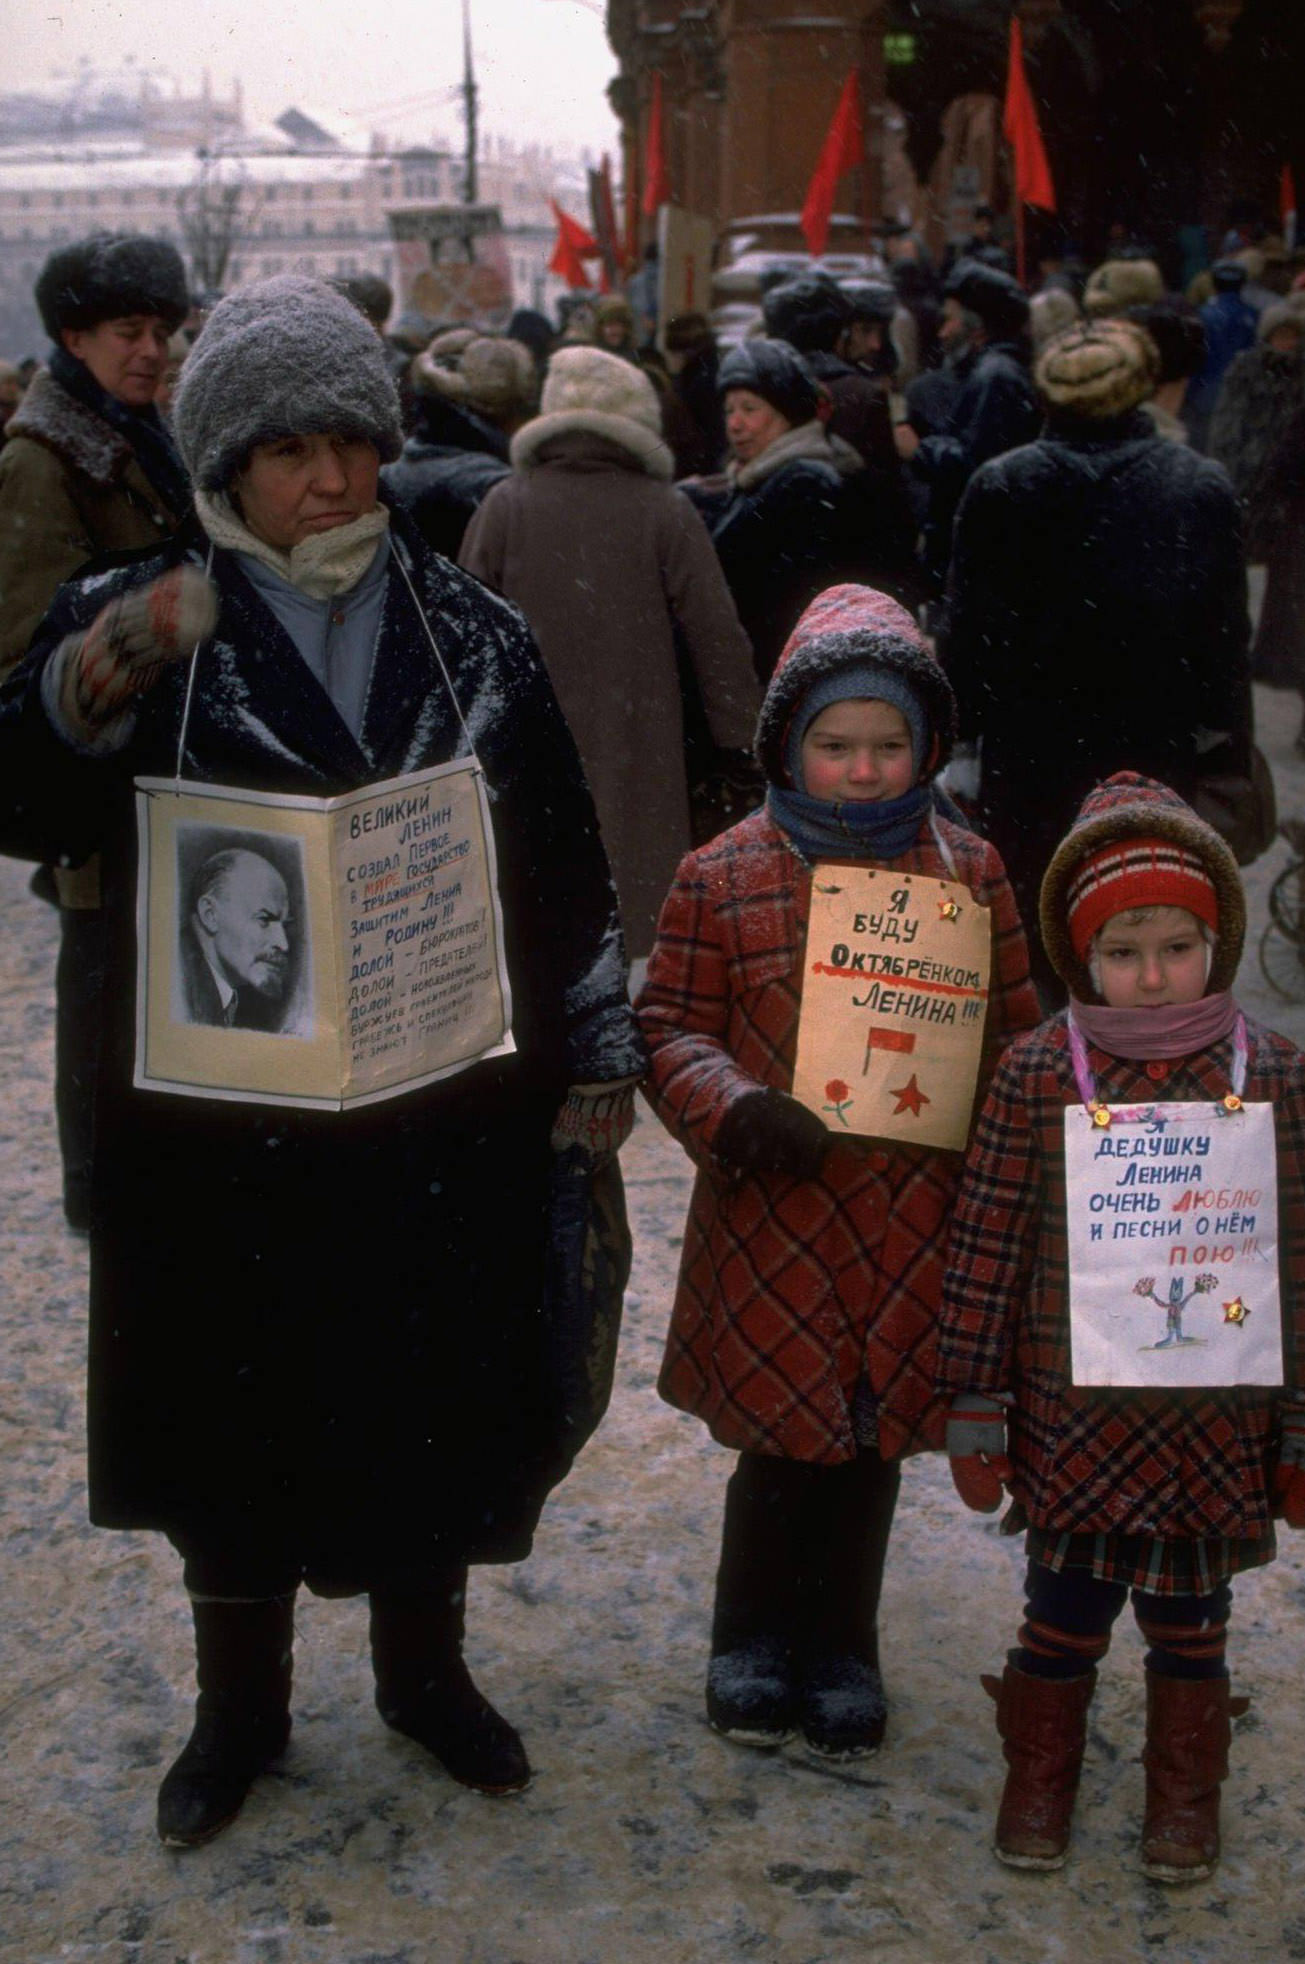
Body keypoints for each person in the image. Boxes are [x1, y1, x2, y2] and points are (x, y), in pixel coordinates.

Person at [0, 274, 645, 1847]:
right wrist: (84, 695)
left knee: (431, 1387)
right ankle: (241, 1711)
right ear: (226, 464)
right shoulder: (150, 615)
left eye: (352, 442)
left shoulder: (465, 620)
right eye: (289, 451)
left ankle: (425, 1674)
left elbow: (559, 848)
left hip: (441, 1101)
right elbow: (30, 809)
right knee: (235, 1406)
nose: (333, 482)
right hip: (218, 1125)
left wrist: (597, 1035)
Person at [636, 583, 1039, 1762]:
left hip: (916, 1218)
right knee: (777, 1449)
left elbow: (1017, 1034)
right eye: (834, 744)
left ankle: (843, 1638)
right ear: (788, 746)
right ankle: (749, 1633)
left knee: (868, 1453)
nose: (862, 770)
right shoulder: (721, 873)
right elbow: (665, 1023)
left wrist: (1019, 1140)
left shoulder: (970, 872)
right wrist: (734, 1105)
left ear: (924, 748)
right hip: (776, 1214)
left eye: (887, 744)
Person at [939, 772, 1305, 1881]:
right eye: (1125, 949)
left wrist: (1298, 1434)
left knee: (1191, 1628)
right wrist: (971, 1403)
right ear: (1083, 959)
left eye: (1178, 945)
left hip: (1214, 1421)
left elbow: (1298, 1262)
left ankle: (1183, 1796)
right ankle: (1039, 1775)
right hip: (1073, 1418)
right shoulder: (1036, 1071)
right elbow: (987, 1245)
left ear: (1218, 942)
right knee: (1063, 1614)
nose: (1153, 975)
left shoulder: (1274, 1075)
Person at [940, 319, 1252, 1001]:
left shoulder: (1000, 486)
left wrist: (960, 748)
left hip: (1028, 762)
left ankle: (1055, 1080)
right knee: (1144, 941)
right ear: (1139, 389)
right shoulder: (1195, 486)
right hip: (1152, 755)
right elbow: (1224, 647)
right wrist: (1227, 761)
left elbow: (966, 641)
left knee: (1038, 944)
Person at [0, 231, 191, 1230]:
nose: (151, 348)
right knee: (104, 987)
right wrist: (137, 625)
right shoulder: (44, 461)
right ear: (75, 335)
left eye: (162, 328)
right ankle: (100, 1190)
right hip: (105, 794)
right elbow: (26, 650)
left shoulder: (137, 431)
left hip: (164, 781)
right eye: (129, 330)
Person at [460, 345, 760, 957]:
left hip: (525, 752)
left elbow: (462, 641)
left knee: (536, 919)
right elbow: (716, 637)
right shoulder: (665, 510)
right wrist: (744, 742)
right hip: (640, 744)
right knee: (636, 922)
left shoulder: (505, 506)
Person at [682, 338, 877, 682]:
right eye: (729, 411)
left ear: (786, 413)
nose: (735, 424)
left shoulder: (803, 485)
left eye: (749, 409)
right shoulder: (755, 480)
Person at [902, 259, 1041, 596]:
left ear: (977, 329)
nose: (942, 332)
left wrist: (918, 448)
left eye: (949, 320)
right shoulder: (994, 371)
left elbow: (978, 465)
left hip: (985, 552)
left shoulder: (995, 376)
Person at [1208, 300, 1305, 556]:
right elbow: (1229, 416)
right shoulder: (1247, 367)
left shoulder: (1300, 371)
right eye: (1281, 335)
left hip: (1286, 467)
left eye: (1293, 336)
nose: (1288, 342)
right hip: (1250, 458)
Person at [181, 847, 294, 1032]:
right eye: (264, 920)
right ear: (210, 915)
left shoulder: (241, 1001)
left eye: (284, 925)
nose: (283, 944)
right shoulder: (175, 992)